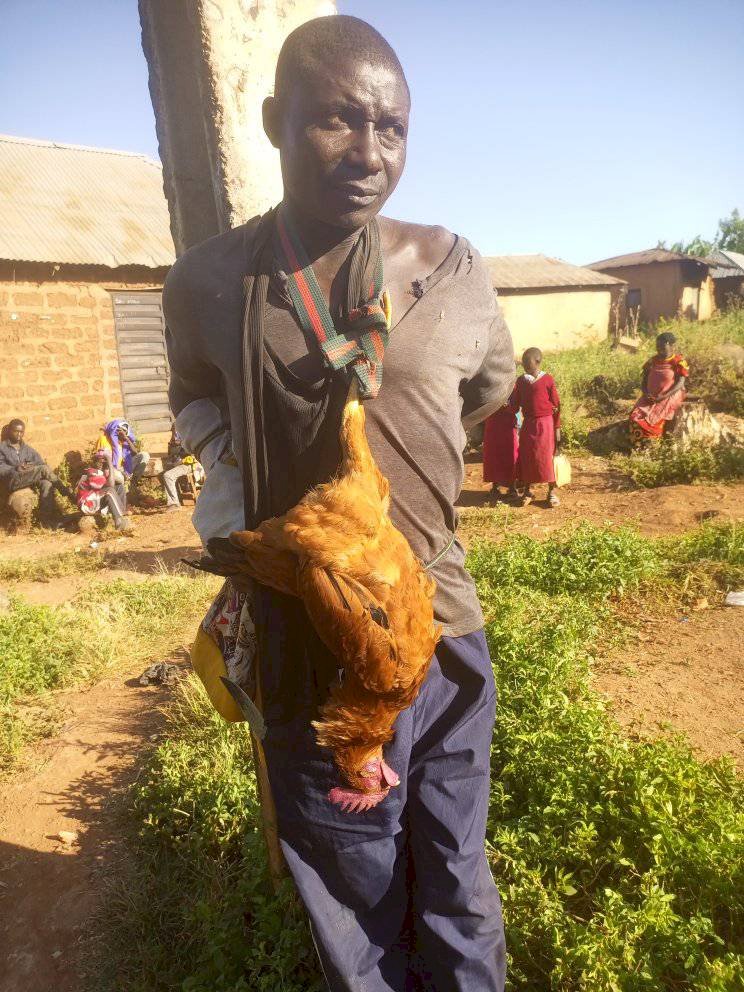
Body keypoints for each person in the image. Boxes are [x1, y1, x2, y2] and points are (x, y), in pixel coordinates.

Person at [163, 16, 512, 991]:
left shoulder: (450, 268)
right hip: (312, 647)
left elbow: (481, 393)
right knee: (354, 889)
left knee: (455, 868)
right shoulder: (209, 282)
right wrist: (230, 470)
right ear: (276, 121)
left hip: (441, 627)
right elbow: (191, 389)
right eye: (336, 121)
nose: (368, 152)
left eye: (390, 127)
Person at [0, 418, 72, 528]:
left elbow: (40, 463)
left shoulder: (27, 449)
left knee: (46, 483)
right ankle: (67, 493)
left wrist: (31, 467)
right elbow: (1, 468)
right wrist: (15, 468)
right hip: (12, 481)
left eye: (21, 432)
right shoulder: (2, 448)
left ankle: (46, 520)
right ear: (10, 430)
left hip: (26, 479)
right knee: (43, 470)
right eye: (16, 431)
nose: (19, 434)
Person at [512, 348, 561, 507]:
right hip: (529, 424)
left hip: (545, 423)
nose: (525, 365)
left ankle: (552, 491)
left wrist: (557, 428)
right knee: (528, 456)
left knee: (546, 457)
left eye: (528, 362)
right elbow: (515, 403)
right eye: (524, 363)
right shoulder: (520, 381)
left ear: (538, 362)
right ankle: (528, 490)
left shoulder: (547, 380)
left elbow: (556, 405)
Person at [629, 332, 689, 444]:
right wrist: (646, 393)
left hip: (670, 394)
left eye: (662, 347)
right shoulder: (652, 361)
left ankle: (652, 446)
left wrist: (664, 396)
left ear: (672, 346)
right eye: (658, 347)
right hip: (650, 395)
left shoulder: (678, 362)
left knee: (653, 420)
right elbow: (644, 381)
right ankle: (638, 446)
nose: (659, 349)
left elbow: (680, 383)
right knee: (635, 416)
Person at [95, 419, 149, 510]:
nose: (123, 433)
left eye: (125, 431)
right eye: (121, 430)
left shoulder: (122, 441)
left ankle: (133, 481)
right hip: (111, 469)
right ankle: (123, 505)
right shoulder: (104, 439)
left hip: (124, 467)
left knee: (144, 455)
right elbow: (99, 459)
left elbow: (135, 452)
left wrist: (126, 439)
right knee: (119, 478)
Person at [75, 448, 131, 531]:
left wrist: (108, 468)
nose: (100, 462)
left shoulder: (101, 472)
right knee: (109, 491)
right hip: (87, 504)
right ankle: (118, 521)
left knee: (119, 487)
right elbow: (110, 485)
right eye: (98, 460)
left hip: (94, 499)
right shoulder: (92, 472)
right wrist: (110, 462)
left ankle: (121, 513)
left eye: (102, 460)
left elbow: (117, 482)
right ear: (94, 461)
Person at [482, 399, 519, 502]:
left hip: (508, 423)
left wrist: (508, 405)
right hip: (493, 421)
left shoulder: (514, 385)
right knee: (493, 454)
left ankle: (512, 488)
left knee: (511, 454)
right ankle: (495, 487)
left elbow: (517, 406)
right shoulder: (491, 383)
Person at [161, 424, 198, 511]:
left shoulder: (188, 437)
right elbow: (170, 454)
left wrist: (181, 444)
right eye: (173, 430)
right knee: (162, 474)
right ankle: (174, 498)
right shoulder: (174, 440)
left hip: (187, 464)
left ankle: (174, 503)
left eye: (176, 429)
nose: (175, 432)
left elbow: (191, 453)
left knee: (168, 475)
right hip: (178, 464)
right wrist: (173, 441)